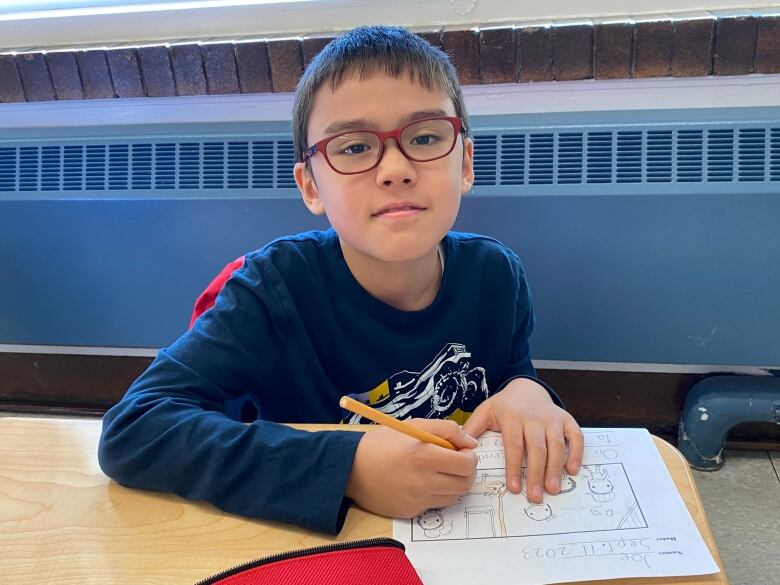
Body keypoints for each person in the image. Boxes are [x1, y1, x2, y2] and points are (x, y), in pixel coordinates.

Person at [98, 25, 584, 535]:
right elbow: (134, 429)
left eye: (424, 137)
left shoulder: (497, 276)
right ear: (311, 185)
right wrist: (348, 468)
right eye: (352, 148)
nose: (395, 168)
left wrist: (529, 391)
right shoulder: (272, 289)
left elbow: (508, 378)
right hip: (316, 545)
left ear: (464, 162)